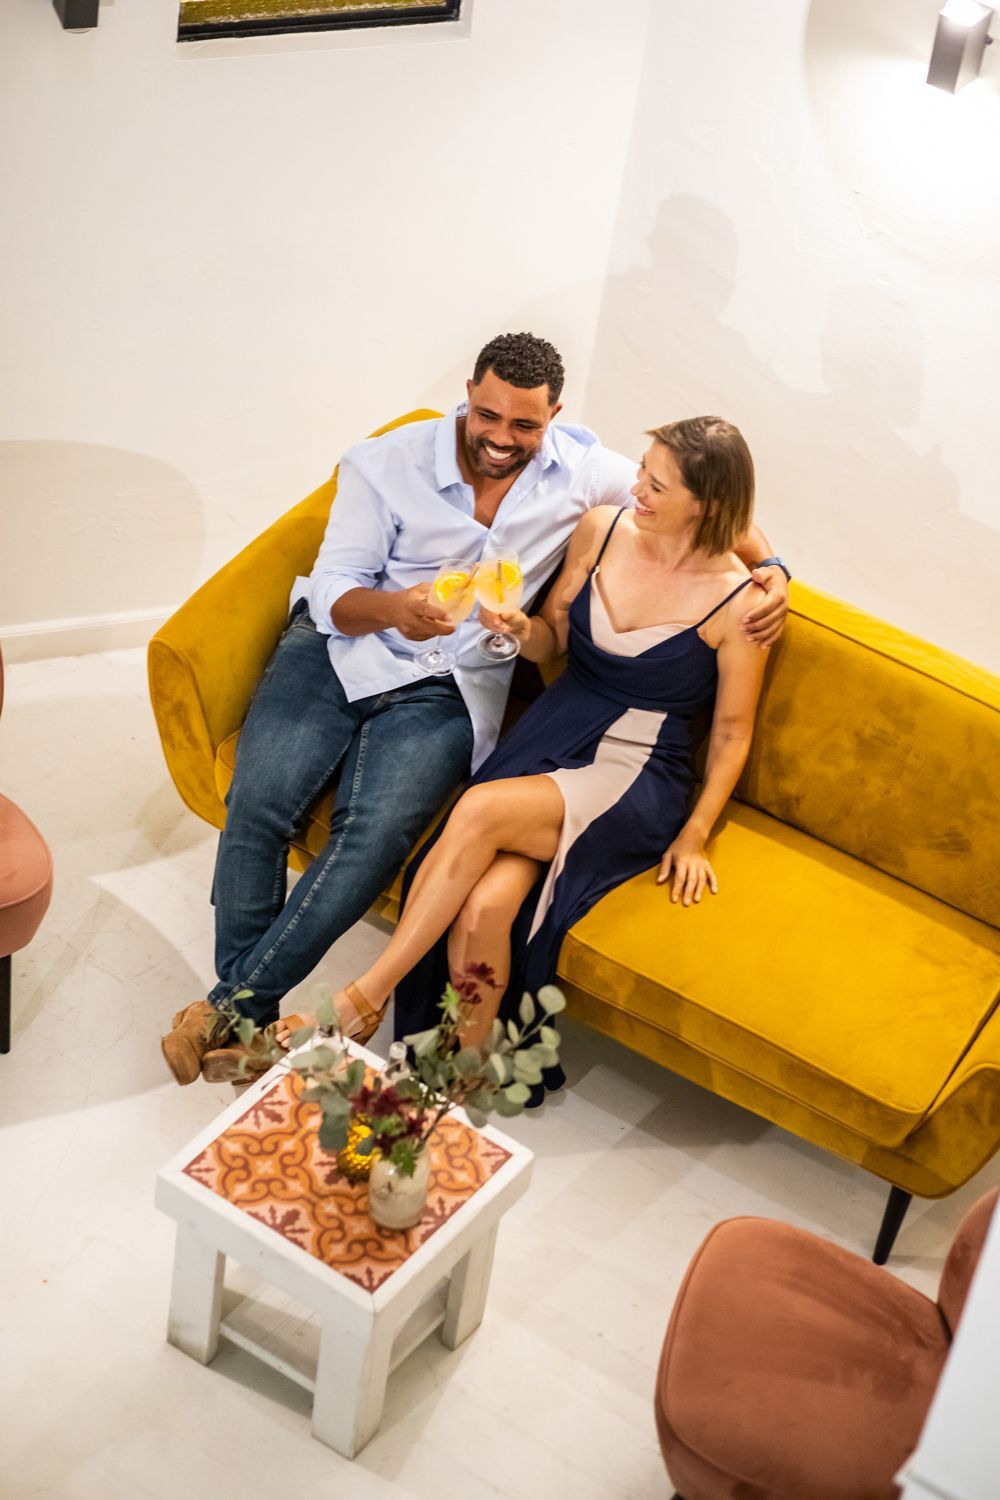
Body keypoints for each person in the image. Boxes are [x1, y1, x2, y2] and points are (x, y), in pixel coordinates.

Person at [160, 332, 787, 1086]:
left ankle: (269, 1011)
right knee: (259, 803)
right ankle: (241, 1012)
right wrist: (397, 609)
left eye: (525, 424)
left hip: (452, 681)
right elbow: (333, 590)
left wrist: (774, 567)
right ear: (468, 395)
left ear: (554, 416)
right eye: (487, 415)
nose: (500, 437)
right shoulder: (385, 463)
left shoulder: (590, 474)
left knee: (373, 835)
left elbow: (717, 513)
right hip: (341, 645)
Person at [273, 415, 769, 1102]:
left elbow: (733, 733)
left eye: (657, 485)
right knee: (485, 907)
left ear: (706, 505)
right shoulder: (601, 531)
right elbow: (552, 644)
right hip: (554, 733)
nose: (637, 489)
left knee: (477, 810)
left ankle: (363, 998)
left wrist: (695, 834)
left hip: (635, 771)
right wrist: (517, 628)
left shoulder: (742, 603)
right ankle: (460, 1073)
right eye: (642, 472)